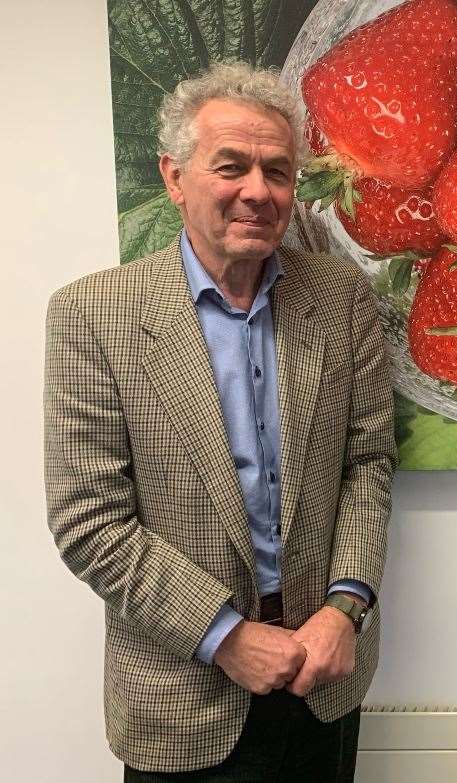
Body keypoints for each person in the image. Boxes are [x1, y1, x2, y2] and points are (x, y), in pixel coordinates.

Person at [44, 62, 398, 780]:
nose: (258, 192)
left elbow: (367, 462)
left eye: (278, 170)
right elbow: (89, 519)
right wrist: (227, 634)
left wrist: (346, 603)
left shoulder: (339, 296)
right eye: (231, 166)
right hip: (182, 692)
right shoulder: (92, 315)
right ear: (175, 177)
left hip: (322, 675)